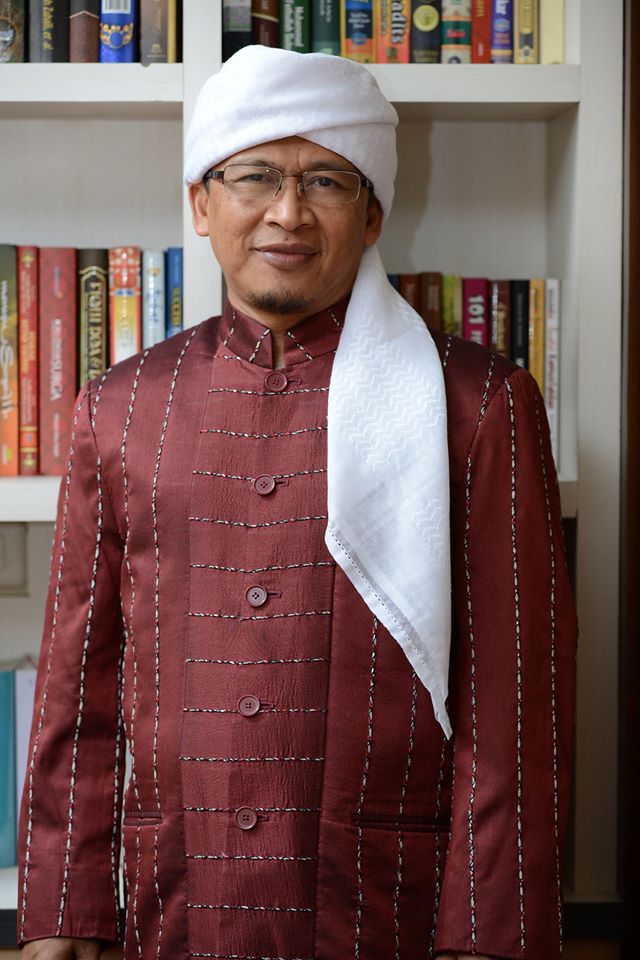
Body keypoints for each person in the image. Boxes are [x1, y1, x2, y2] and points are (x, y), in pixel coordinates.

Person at [17, 46, 576, 960]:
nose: (288, 212)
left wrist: (489, 934)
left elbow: (514, 700)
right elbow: (79, 687)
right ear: (202, 203)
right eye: (255, 176)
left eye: (326, 180)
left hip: (384, 912)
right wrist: (61, 911)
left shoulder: (478, 404)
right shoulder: (118, 407)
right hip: (174, 906)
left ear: (372, 214)